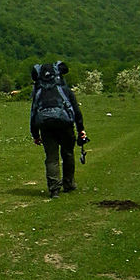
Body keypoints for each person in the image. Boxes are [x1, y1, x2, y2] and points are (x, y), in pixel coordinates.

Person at [30, 61, 86, 198]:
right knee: (67, 154)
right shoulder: (64, 89)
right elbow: (76, 111)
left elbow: (33, 113)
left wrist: (35, 135)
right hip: (65, 125)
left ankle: (54, 189)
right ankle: (69, 183)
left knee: (51, 158)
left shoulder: (38, 91)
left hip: (46, 126)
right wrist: (81, 129)